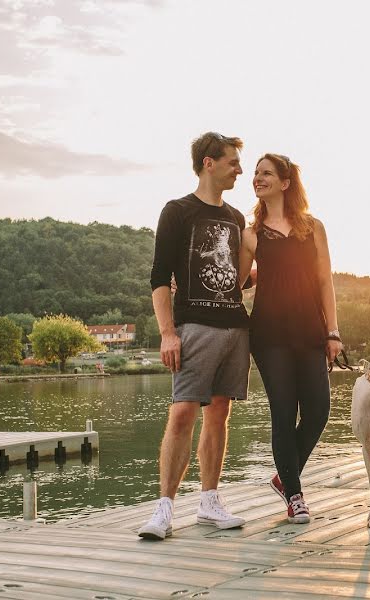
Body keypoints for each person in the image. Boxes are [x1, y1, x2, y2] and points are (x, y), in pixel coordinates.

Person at [138, 132, 251, 540]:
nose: (240, 169)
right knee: (183, 411)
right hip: (193, 327)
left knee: (219, 412)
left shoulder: (237, 219)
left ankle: (209, 502)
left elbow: (239, 280)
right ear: (209, 162)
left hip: (236, 327)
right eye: (233, 161)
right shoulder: (178, 211)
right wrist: (167, 333)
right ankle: (164, 510)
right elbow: (158, 278)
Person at [239, 153, 342, 524]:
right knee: (283, 414)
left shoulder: (313, 227)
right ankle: (295, 496)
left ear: (285, 183)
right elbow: (236, 282)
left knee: (317, 411)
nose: (257, 177)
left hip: (310, 330)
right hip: (269, 335)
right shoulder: (250, 235)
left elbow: (324, 281)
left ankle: (284, 476)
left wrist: (333, 331)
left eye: (265, 173)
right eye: (254, 173)